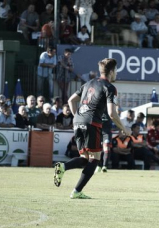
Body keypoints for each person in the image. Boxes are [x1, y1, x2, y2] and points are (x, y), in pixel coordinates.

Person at [54, 58, 129, 199]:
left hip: (78, 121)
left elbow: (71, 100)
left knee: (85, 158)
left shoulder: (88, 83)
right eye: (116, 71)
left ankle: (63, 167)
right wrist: (124, 129)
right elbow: (112, 113)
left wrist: (78, 116)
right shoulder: (110, 87)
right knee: (95, 159)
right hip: (92, 123)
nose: (116, 74)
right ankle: (76, 192)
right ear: (112, 71)